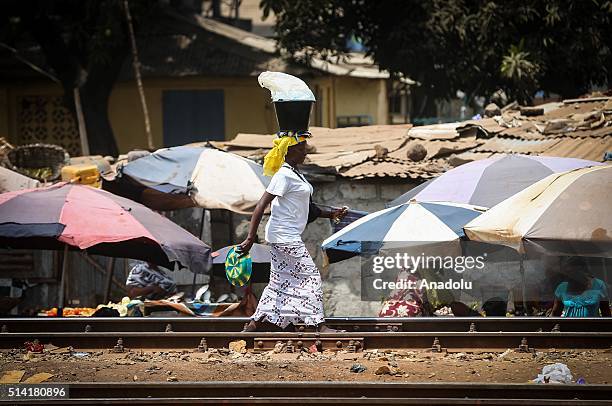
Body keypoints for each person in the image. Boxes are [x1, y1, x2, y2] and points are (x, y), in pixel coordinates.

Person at [239, 71, 347, 332]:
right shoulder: (284, 175)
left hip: (283, 235)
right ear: (290, 150)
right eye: (301, 147)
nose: (306, 150)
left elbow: (307, 209)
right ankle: (318, 326)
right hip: (284, 236)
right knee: (309, 276)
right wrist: (250, 238)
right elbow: (261, 205)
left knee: (279, 281)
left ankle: (253, 325)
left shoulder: (297, 175)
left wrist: (332, 212)